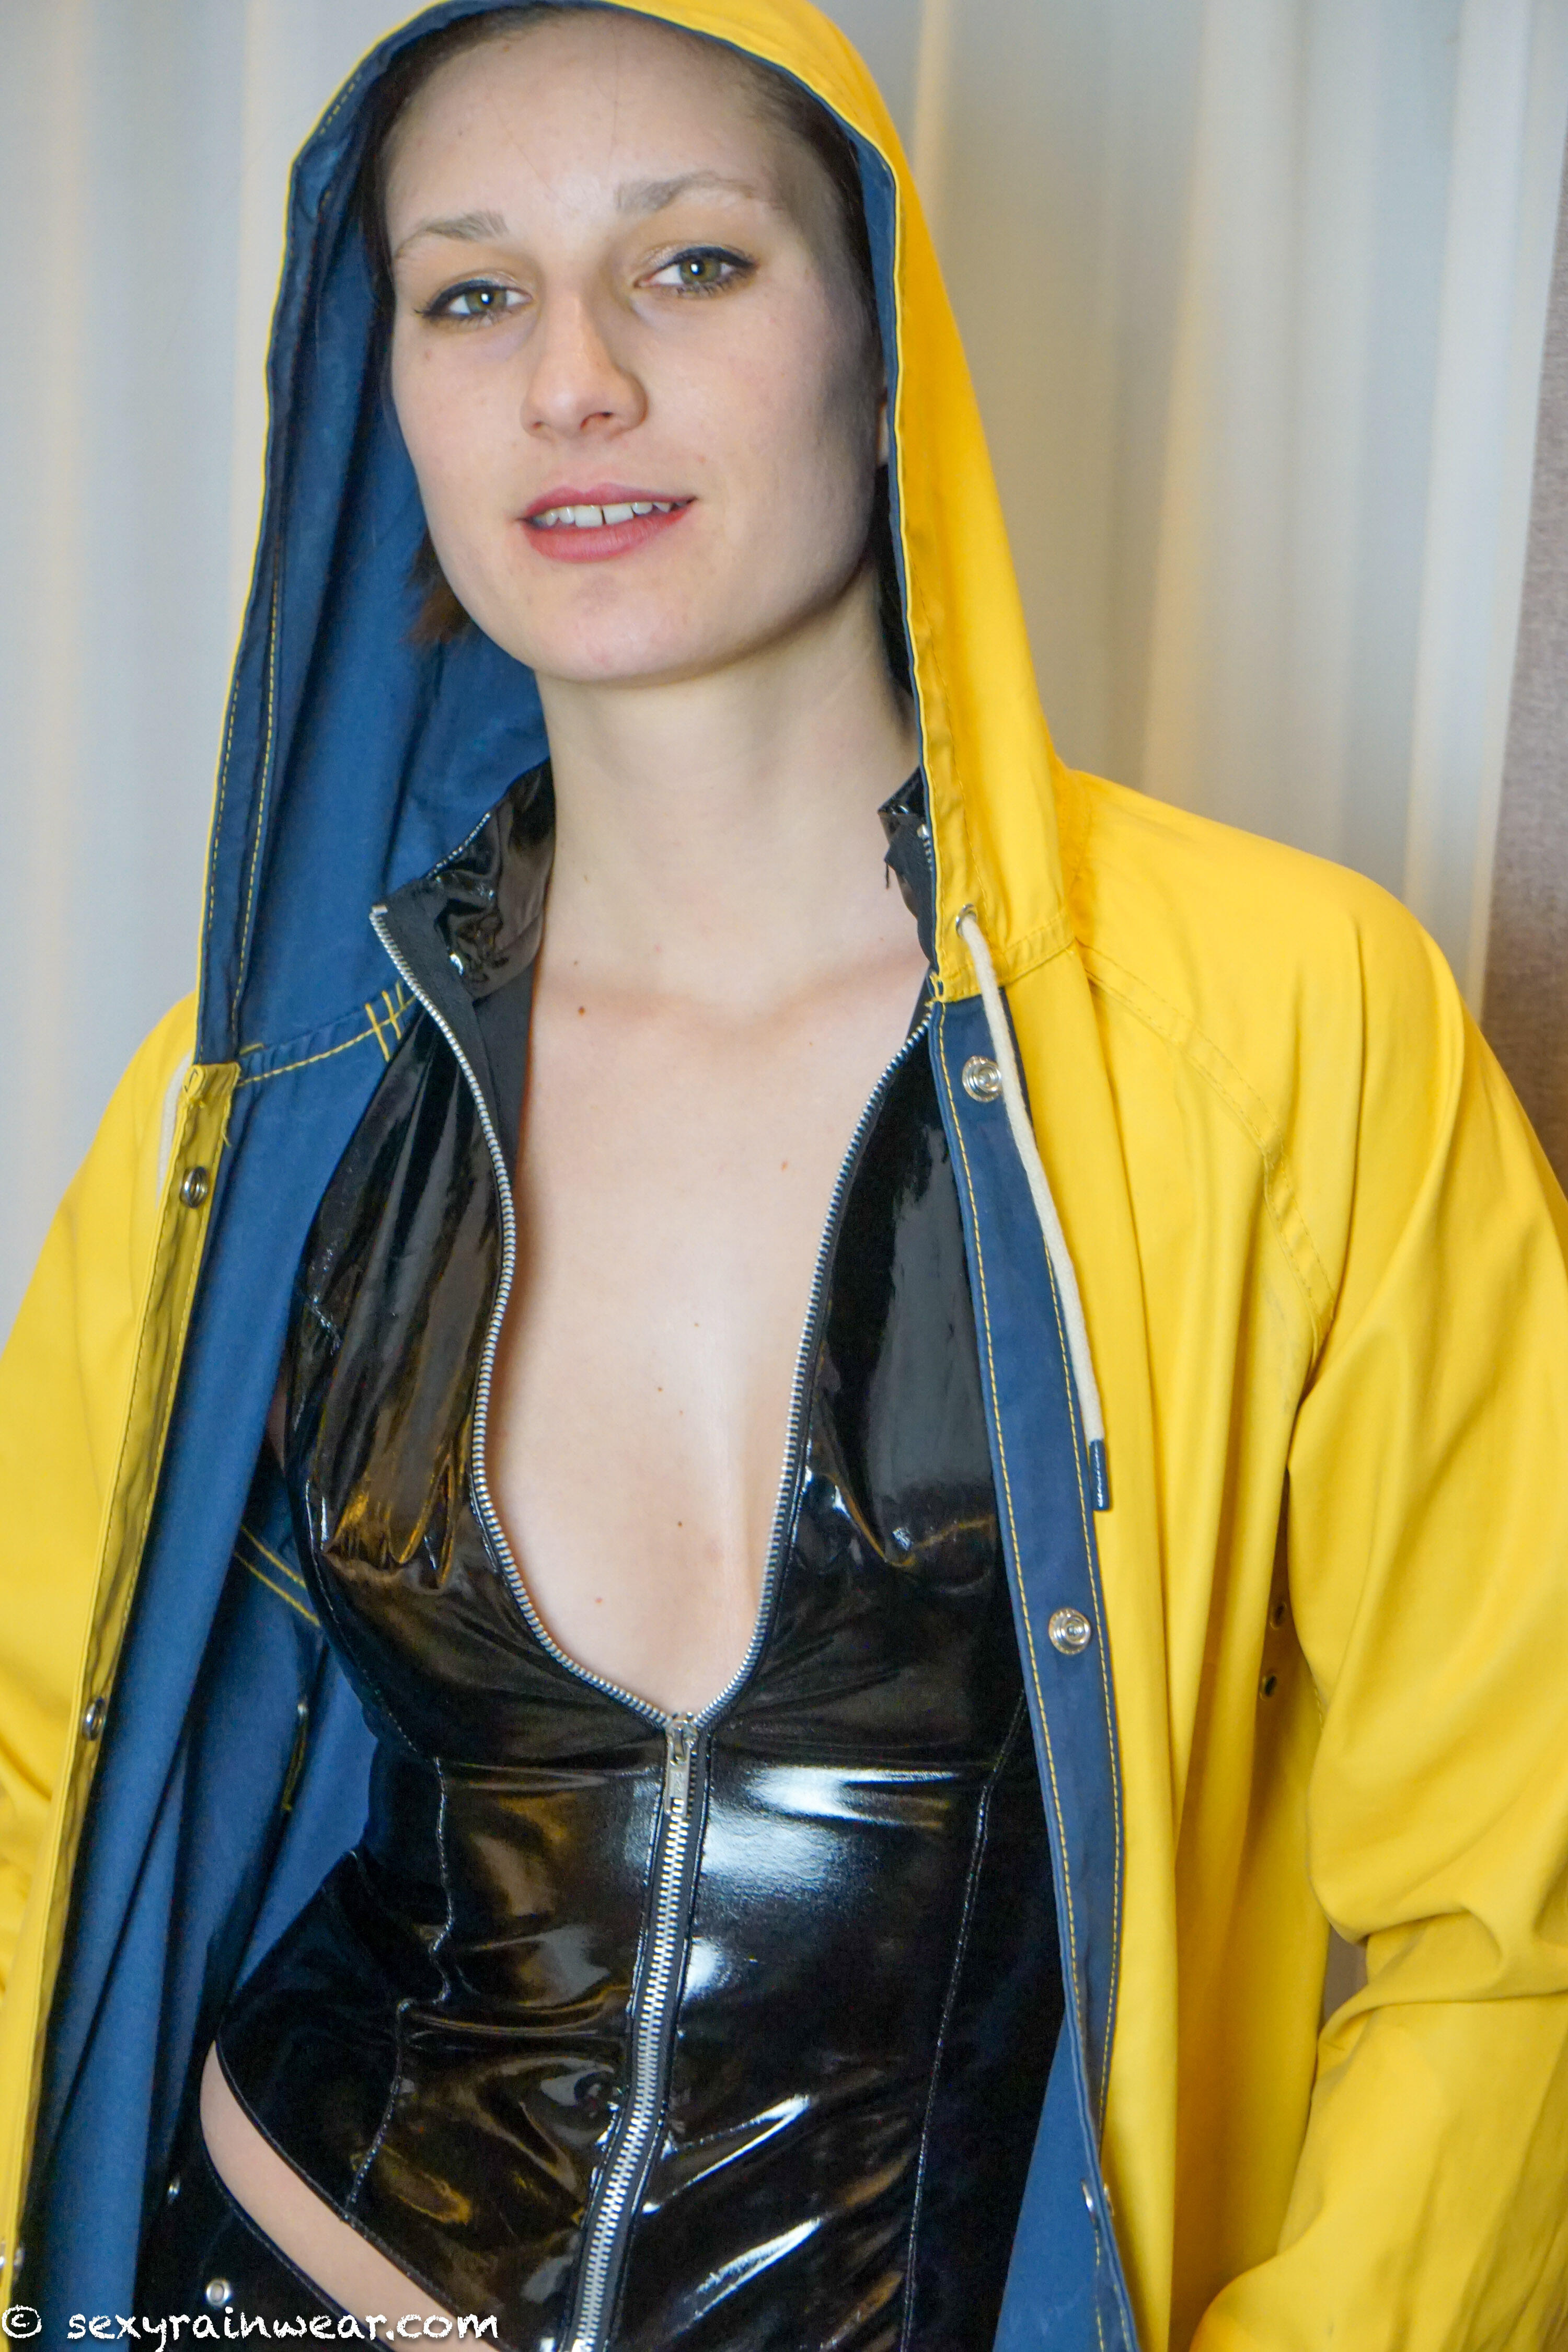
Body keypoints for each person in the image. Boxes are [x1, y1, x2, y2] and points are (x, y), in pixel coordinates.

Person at [1, 0, 1566, 2346]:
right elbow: (32, 1779)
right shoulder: (260, 1098)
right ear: (386, 392)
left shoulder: (1282, 1027)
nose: (575, 381)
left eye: (694, 263)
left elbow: (1519, 1911)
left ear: (879, 342)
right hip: (277, 2276)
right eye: (472, 291)